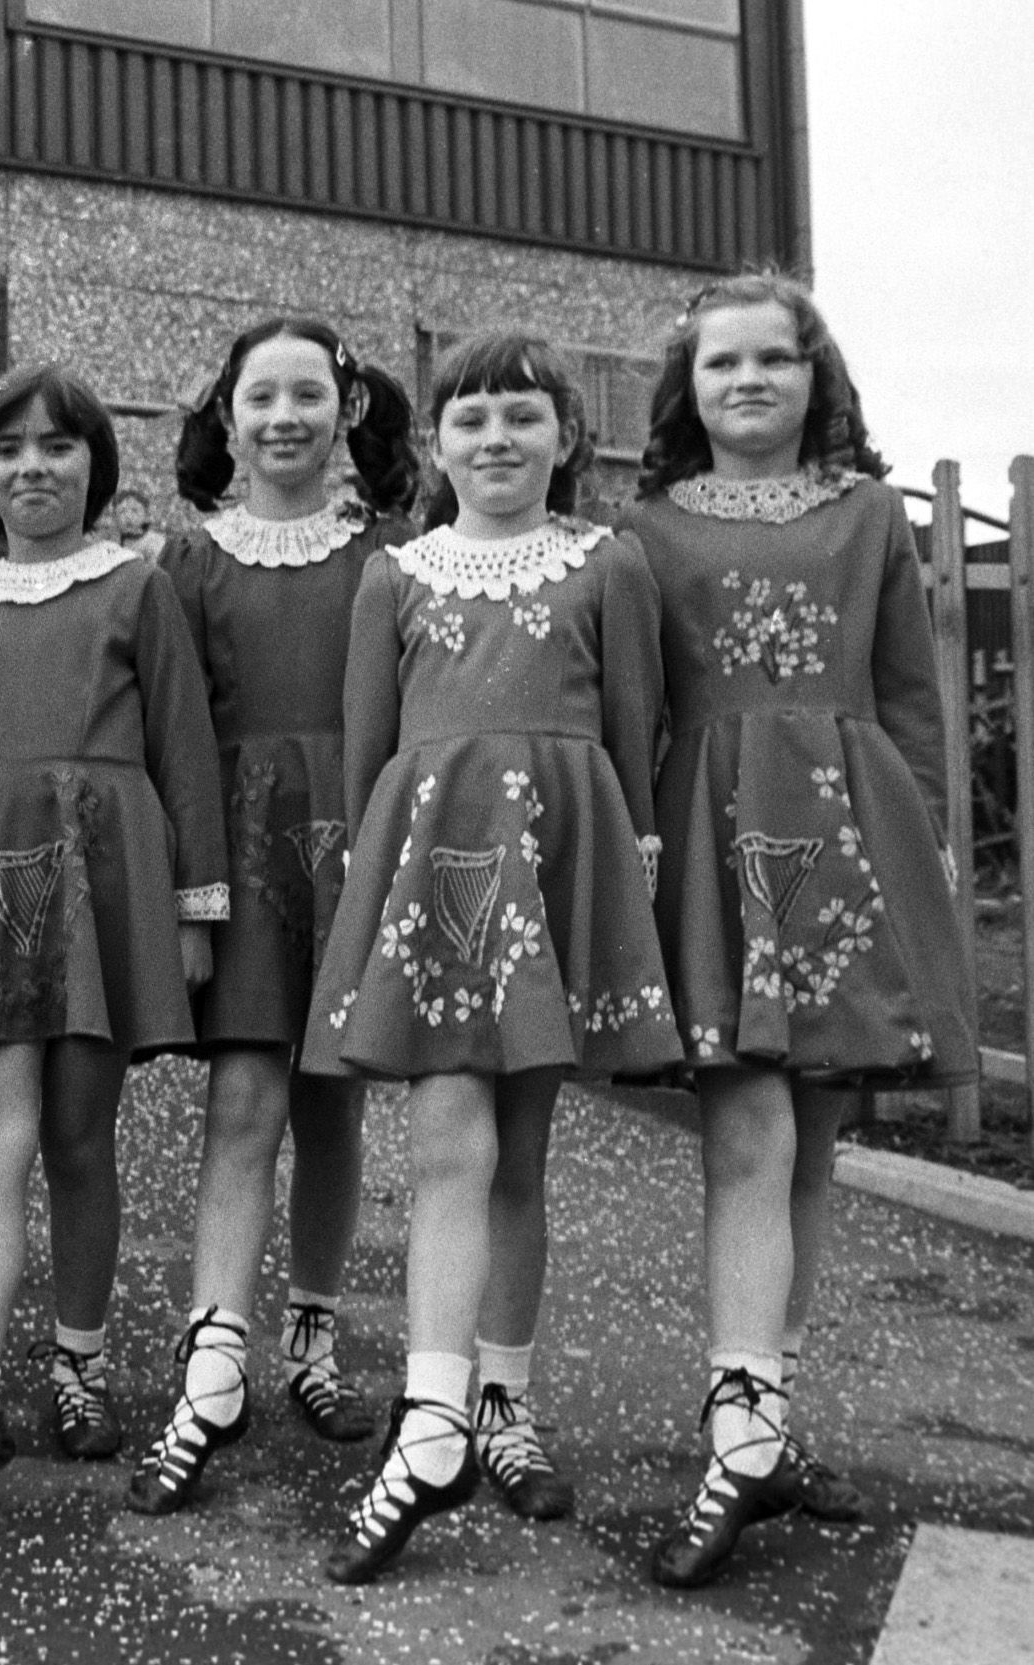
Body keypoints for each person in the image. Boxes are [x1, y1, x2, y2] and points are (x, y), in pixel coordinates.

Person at [301, 333, 681, 1584]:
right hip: (431, 873)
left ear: (568, 437)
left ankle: (502, 1403)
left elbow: (632, 739)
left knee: (522, 1150)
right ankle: (430, 1417)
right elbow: (367, 757)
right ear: (435, 446)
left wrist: (625, 890)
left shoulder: (606, 563)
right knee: (445, 1141)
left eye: (525, 417)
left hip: (555, 865)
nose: (498, 440)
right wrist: (369, 890)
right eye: (472, 420)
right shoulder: (394, 575)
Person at [624, 274, 976, 1588]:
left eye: (776, 360)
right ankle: (737, 1424)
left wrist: (926, 842)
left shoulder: (868, 514)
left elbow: (909, 695)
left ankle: (766, 1414)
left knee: (811, 1138)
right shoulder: (646, 531)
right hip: (712, 832)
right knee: (749, 1132)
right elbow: (636, 702)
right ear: (689, 389)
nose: (750, 381)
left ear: (816, 379)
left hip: (845, 825)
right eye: (723, 365)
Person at [0, 363, 227, 1537]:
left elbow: (184, 748)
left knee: (78, 1134)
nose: (32, 468)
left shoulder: (137, 589)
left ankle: (80, 1358)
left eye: (59, 447)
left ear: (96, 468)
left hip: (108, 880)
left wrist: (192, 912)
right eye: (7, 450)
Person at [126, 319, 418, 1517]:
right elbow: (174, 740)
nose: (285, 417)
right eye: (261, 397)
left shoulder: (397, 555)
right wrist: (192, 891)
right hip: (242, 853)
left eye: (309, 394)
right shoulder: (184, 564)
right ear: (228, 417)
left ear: (346, 410)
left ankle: (312, 1336)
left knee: (332, 1103)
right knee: (243, 1101)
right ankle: (213, 1365)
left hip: (352, 840)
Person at [110, 487, 167, 561]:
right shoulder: (112, 541)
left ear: (146, 515)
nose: (128, 516)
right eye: (122, 511)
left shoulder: (154, 541)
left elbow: (156, 570)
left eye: (135, 511)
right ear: (115, 517)